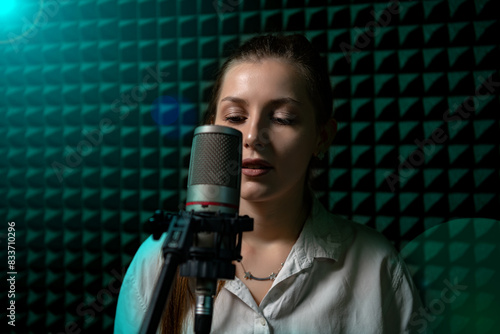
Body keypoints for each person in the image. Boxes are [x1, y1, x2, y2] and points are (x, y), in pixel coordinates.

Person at [114, 33, 424, 334]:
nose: (252, 137)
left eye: (283, 118)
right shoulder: (158, 259)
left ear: (322, 136)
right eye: (235, 117)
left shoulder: (376, 265)